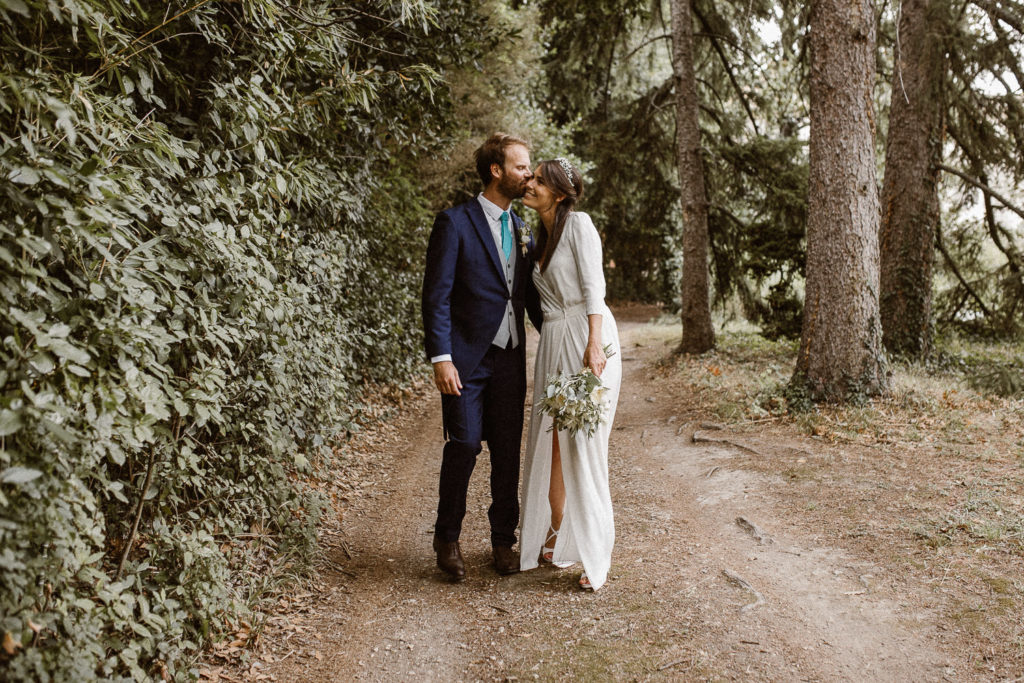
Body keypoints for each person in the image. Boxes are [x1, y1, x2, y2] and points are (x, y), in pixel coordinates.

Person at [421, 133, 543, 582]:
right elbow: (436, 297)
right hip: (467, 361)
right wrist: (441, 357)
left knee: (508, 451)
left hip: (510, 360)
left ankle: (502, 542)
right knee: (466, 444)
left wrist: (564, 338)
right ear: (497, 170)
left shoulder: (522, 229)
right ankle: (447, 537)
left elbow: (528, 297)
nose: (528, 174)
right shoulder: (454, 224)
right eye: (521, 166)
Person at [518, 158, 621, 591]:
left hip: (585, 339)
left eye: (540, 181)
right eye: (532, 177)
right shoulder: (537, 238)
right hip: (553, 345)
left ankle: (596, 552)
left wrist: (594, 344)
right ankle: (558, 531)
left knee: (583, 445)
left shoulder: (578, 225)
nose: (530, 183)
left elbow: (594, 286)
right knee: (554, 443)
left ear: (559, 193)